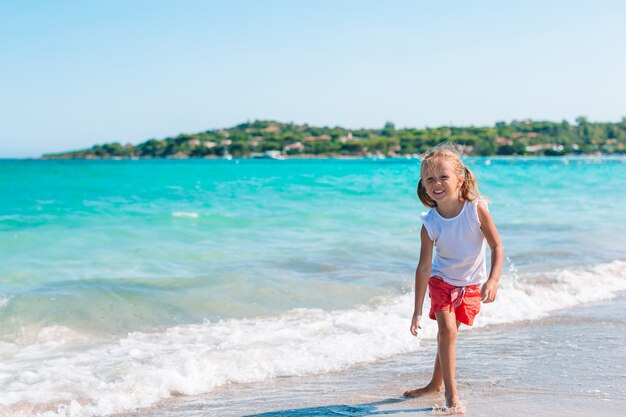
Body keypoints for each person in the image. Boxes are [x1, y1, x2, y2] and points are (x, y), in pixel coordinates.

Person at [403, 144, 504, 409]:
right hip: (442, 281)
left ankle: (434, 384)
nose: (436, 183)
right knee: (447, 331)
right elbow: (423, 267)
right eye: (430, 179)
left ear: (460, 179)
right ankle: (451, 395)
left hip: (469, 284)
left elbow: (497, 247)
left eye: (443, 177)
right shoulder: (430, 223)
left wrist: (492, 280)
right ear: (423, 186)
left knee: (448, 336)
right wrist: (416, 310)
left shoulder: (476, 210)